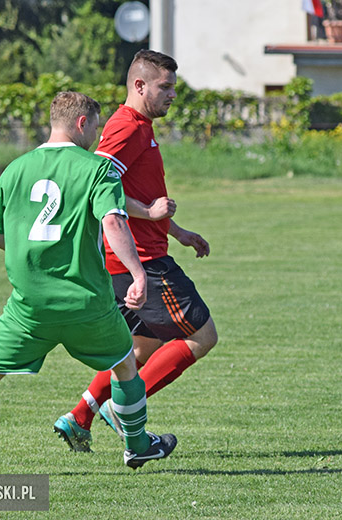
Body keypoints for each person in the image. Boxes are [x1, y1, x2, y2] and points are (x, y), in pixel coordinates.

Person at [0, 92, 176, 475]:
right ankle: (137, 446)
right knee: (124, 364)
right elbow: (114, 222)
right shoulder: (99, 170)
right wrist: (138, 274)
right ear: (82, 123)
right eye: (96, 127)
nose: (97, 136)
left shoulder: (15, 169)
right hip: (87, 302)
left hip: (29, 306)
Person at [53, 50, 218, 453]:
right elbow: (98, 186)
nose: (172, 95)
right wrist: (149, 212)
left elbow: (137, 192)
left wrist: (175, 230)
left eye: (174, 87)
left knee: (141, 347)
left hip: (136, 253)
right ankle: (124, 407)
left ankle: (80, 415)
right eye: (165, 87)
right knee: (202, 336)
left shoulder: (141, 126)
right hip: (139, 258)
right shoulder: (127, 126)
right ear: (139, 85)